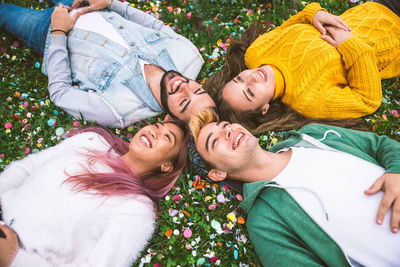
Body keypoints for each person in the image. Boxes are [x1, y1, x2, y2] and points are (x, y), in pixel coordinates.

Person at [190, 108, 400, 266]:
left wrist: (397, 170)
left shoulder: (312, 135)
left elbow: (379, 144)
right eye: (214, 141)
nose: (227, 132)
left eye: (225, 125)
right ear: (218, 173)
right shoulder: (264, 222)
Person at [0, 121, 190, 266]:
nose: (154, 131)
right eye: (156, 125)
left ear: (166, 166)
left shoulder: (137, 209)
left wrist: (14, 258)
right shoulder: (91, 140)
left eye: (167, 137)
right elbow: (28, 167)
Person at [0, 0, 215, 127]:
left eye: (184, 102)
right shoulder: (190, 56)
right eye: (198, 91)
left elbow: (60, 93)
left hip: (47, 30)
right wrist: (112, 4)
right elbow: (155, 25)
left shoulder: (119, 110)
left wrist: (58, 31)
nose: (184, 86)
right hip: (93, 6)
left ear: (170, 117)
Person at [204, 0, 400, 133]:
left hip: (375, 7)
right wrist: (351, 45)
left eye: (239, 79)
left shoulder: (256, 53)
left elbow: (291, 26)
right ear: (264, 108)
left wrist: (315, 14)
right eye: (250, 92)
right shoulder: (308, 100)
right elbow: (367, 100)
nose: (251, 77)